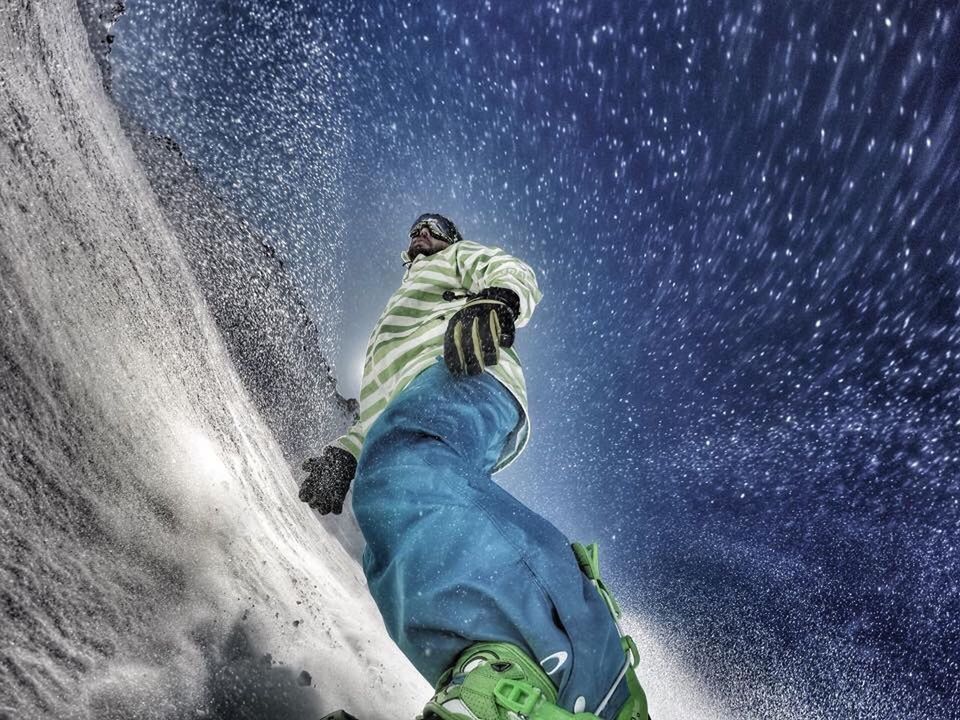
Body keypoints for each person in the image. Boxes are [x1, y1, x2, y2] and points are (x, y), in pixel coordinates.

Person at [300, 214, 648, 720]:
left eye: (435, 226)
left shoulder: (453, 261)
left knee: (409, 469)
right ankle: (483, 670)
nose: (422, 230)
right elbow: (381, 409)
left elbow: (509, 270)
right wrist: (348, 452)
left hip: (462, 370)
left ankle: (530, 669)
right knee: (388, 546)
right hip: (409, 408)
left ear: (450, 240)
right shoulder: (394, 314)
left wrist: (498, 300)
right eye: (416, 228)